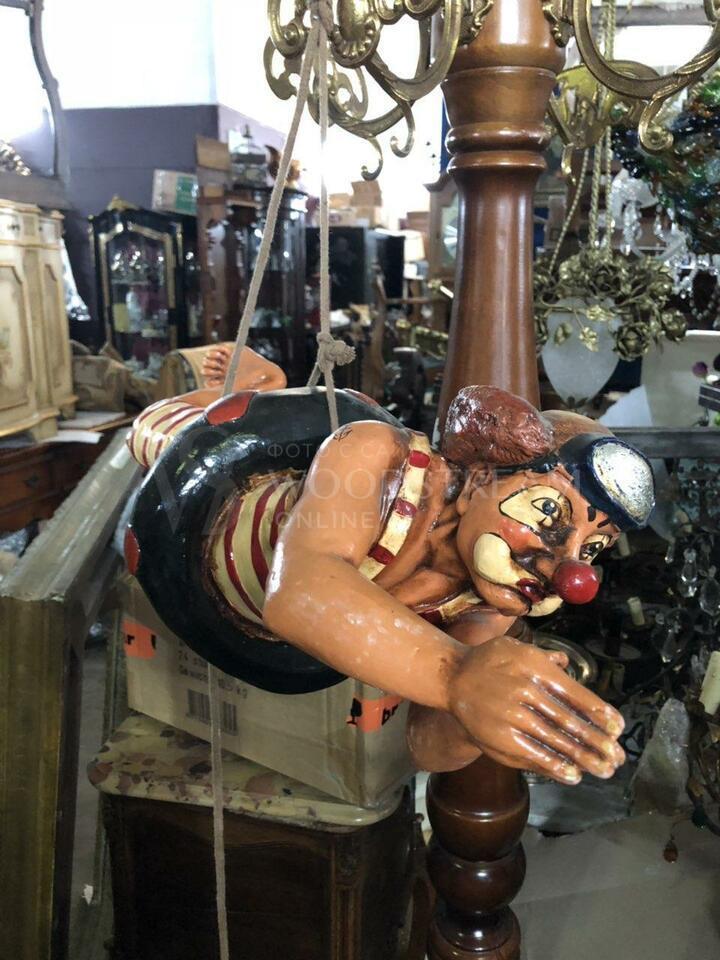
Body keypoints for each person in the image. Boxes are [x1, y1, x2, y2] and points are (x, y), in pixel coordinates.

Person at [127, 376, 655, 785]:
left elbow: (425, 745)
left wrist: (487, 715)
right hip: (201, 505)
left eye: (591, 549)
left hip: (253, 634)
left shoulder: (485, 605)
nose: (571, 572)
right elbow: (300, 591)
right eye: (548, 513)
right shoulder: (377, 456)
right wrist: (456, 674)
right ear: (479, 480)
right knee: (152, 433)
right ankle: (246, 377)